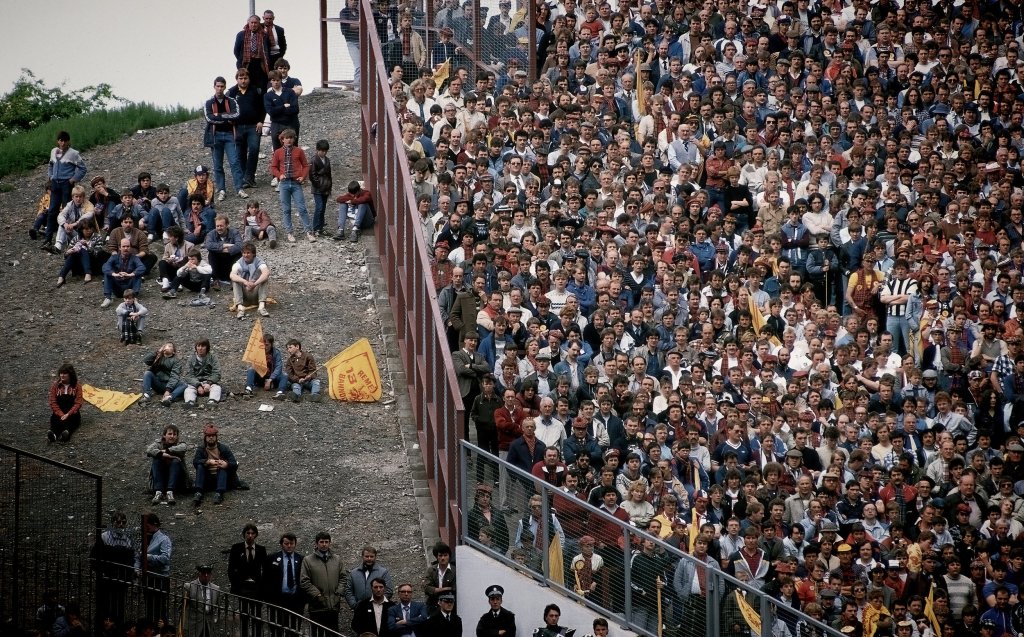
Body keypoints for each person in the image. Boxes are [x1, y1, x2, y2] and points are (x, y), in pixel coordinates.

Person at [30, 131, 87, 249]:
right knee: (52, 211)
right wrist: (50, 176)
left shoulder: (73, 153)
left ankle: (67, 239)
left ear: (68, 141)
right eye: (61, 140)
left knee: (66, 211)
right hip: (55, 184)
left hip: (66, 184)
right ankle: (48, 239)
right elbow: (50, 165)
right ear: (58, 141)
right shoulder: (53, 151)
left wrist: (73, 179)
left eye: (65, 140)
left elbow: (83, 168)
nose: (63, 143)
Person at [203, 76, 247, 201]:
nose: (219, 88)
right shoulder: (209, 102)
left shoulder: (231, 101)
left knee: (234, 162)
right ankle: (221, 189)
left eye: (222, 86)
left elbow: (236, 115)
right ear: (214, 87)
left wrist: (219, 115)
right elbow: (209, 118)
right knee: (218, 164)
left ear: (225, 87)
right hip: (215, 136)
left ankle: (239, 188)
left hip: (229, 135)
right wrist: (227, 117)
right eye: (217, 86)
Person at [90, 511, 135, 629]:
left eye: (123, 522)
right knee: (103, 606)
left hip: (120, 581)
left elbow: (131, 561)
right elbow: (94, 558)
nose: (121, 525)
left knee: (118, 607)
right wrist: (101, 572)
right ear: (112, 523)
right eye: (118, 522)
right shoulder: (104, 537)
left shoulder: (128, 540)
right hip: (106, 579)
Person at [269, 127, 313, 242]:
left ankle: (308, 232)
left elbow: (306, 165)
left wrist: (303, 177)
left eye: (291, 138)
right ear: (282, 139)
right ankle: (289, 232)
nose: (289, 140)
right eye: (286, 138)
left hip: (295, 183)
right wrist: (279, 175)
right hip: (284, 184)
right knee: (286, 209)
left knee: (302, 208)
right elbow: (273, 167)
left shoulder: (299, 151)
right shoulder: (278, 152)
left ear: (294, 139)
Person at [299, 531, 345, 637]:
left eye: (326, 542)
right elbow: (304, 581)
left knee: (333, 633)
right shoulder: (308, 560)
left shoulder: (337, 559)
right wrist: (317, 595)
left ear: (330, 543)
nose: (324, 544)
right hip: (317, 606)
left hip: (333, 605)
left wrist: (338, 593)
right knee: (317, 633)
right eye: (321, 542)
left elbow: (343, 577)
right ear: (316, 543)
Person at [227, 69, 266, 190]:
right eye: (241, 78)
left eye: (245, 78)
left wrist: (261, 121)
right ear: (237, 79)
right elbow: (227, 109)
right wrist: (230, 121)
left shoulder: (256, 91)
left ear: (249, 79)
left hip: (253, 126)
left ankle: (249, 177)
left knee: (254, 149)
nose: (243, 81)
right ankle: (246, 179)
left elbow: (263, 107)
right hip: (237, 127)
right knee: (240, 153)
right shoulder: (231, 92)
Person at [228, 523, 267, 637]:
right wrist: (236, 586)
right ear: (244, 534)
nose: (250, 535)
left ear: (256, 535)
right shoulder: (236, 548)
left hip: (257, 590)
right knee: (244, 616)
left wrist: (262, 586)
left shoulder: (261, 549)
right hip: (242, 589)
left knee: (257, 617)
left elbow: (265, 569)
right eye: (248, 533)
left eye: (252, 533)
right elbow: (231, 568)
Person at [264, 532, 305, 637]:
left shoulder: (301, 559)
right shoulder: (271, 558)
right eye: (286, 543)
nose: (289, 546)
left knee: (294, 630)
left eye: (292, 543)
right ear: (281, 544)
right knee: (276, 628)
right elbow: (265, 579)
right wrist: (268, 598)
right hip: (278, 599)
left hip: (295, 600)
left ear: (295, 544)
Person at [135, 513, 173, 624]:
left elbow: (165, 558)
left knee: (160, 609)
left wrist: (148, 557)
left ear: (155, 524)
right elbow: (137, 557)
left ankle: (161, 630)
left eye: (147, 526)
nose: (146, 529)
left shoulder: (164, 539)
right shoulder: (144, 539)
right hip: (148, 579)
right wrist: (136, 569)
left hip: (159, 579)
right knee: (149, 608)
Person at [192, 424, 239, 506]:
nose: (211, 438)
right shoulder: (201, 449)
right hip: (208, 477)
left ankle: (219, 493)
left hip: (222, 478)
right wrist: (207, 462)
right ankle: (198, 492)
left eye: (213, 436)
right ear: (205, 437)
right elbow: (195, 462)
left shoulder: (224, 448)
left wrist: (226, 465)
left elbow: (234, 463)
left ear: (216, 437)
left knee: (222, 467)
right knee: (200, 465)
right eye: (209, 436)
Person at [147, 425, 189, 505]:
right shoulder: (159, 444)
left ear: (177, 436)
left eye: (174, 434)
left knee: (176, 461)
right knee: (156, 460)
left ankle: (170, 492)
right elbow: (149, 450)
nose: (172, 436)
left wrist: (167, 451)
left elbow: (183, 448)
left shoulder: (180, 444)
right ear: (164, 435)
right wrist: (162, 454)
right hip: (161, 477)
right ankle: (158, 492)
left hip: (177, 480)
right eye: (169, 434)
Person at [231, 241, 272, 319]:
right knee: (235, 280)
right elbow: (232, 275)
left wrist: (255, 284)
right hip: (244, 295)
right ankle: (240, 307)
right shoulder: (239, 263)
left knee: (264, 279)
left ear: (253, 254)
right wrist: (245, 282)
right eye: (244, 253)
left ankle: (261, 306)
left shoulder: (259, 262)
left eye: (248, 253)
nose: (246, 255)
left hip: (256, 293)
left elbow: (266, 273)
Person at [100, 237, 144, 308]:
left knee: (138, 274)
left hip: (129, 289)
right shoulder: (114, 257)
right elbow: (105, 267)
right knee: (107, 274)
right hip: (117, 286)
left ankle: (134, 298)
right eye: (123, 246)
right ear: (119, 247)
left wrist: (130, 274)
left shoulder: (134, 258)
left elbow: (142, 267)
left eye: (128, 246)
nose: (126, 248)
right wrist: (115, 274)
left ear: (130, 247)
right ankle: (108, 298)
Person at [264, 71, 301, 156]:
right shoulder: (267, 96)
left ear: (281, 80)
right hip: (276, 125)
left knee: (293, 150)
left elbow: (295, 109)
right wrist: (284, 106)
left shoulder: (290, 92)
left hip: (291, 123)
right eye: (273, 80)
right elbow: (271, 112)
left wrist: (277, 110)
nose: (276, 82)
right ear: (270, 81)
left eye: (277, 80)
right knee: (277, 151)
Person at [234, 15, 271, 97]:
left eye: (256, 23)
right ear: (248, 23)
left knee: (261, 87)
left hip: (260, 64)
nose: (253, 25)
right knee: (247, 85)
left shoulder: (264, 35)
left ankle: (261, 103)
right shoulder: (241, 34)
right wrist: (242, 60)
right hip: (246, 64)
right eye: (252, 23)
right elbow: (236, 51)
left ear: (259, 23)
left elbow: (267, 50)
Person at [181, 565, 222, 637]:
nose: (206, 575)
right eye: (203, 573)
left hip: (209, 625)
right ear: (199, 574)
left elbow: (218, 606)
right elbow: (182, 607)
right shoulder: (190, 586)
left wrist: (215, 619)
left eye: (208, 573)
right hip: (194, 625)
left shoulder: (216, 589)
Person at [53, 184, 95, 254]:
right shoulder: (70, 204)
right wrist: (65, 224)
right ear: (73, 197)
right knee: (62, 224)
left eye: (80, 197)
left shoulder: (89, 205)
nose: (78, 199)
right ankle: (58, 246)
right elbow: (61, 215)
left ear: (84, 197)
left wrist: (75, 224)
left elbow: (89, 215)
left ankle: (66, 245)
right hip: (73, 232)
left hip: (84, 235)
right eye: (76, 196)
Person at [57, 221, 102, 286]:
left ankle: (88, 273)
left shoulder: (97, 237)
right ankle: (61, 276)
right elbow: (65, 256)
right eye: (86, 229)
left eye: (90, 228)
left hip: (93, 262)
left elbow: (97, 253)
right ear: (81, 230)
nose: (89, 230)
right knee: (74, 252)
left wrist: (87, 247)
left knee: (82, 249)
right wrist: (68, 252)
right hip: (79, 263)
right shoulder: (76, 238)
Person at [205, 214, 243, 289]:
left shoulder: (235, 232)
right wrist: (224, 245)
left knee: (238, 253)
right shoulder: (211, 234)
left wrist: (220, 249)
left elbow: (239, 246)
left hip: (231, 265)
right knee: (211, 253)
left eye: (221, 226)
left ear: (227, 225)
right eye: (217, 226)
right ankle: (216, 280)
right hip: (219, 267)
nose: (219, 228)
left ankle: (235, 280)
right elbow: (208, 245)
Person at [47, 363, 83, 443]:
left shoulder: (77, 386)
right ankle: (53, 434)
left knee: (71, 422)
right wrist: (61, 414)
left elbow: (78, 403)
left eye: (65, 373)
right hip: (59, 412)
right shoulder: (55, 386)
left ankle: (66, 433)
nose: (62, 375)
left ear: (70, 374)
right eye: (61, 373)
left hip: (72, 413)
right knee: (55, 421)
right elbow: (53, 402)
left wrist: (68, 414)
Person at [182, 338, 223, 407]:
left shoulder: (213, 358)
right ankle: (190, 402)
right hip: (196, 382)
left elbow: (217, 373)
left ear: (207, 347)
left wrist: (209, 383)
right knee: (188, 389)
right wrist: (198, 385)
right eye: (198, 346)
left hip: (209, 382)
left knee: (217, 388)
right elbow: (188, 375)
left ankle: (212, 401)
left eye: (203, 346)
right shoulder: (191, 359)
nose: (200, 348)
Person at [158, 226, 195, 291]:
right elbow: (165, 258)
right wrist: (169, 260)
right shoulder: (168, 245)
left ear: (176, 238)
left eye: (170, 236)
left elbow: (193, 260)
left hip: (184, 270)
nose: (168, 238)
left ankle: (179, 282)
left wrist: (180, 260)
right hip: (173, 268)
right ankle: (166, 281)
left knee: (185, 259)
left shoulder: (190, 246)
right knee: (162, 262)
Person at [423, 542, 456, 613]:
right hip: (433, 605)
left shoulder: (454, 571)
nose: (443, 558)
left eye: (445, 555)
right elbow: (426, 588)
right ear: (436, 557)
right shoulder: (431, 570)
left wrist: (436, 590)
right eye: (440, 556)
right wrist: (445, 589)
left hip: (450, 606)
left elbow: (454, 589)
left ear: (449, 556)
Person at [310, 140, 333, 236]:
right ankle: (315, 228)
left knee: (323, 208)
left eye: (325, 151)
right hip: (318, 188)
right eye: (322, 151)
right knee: (319, 207)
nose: (324, 153)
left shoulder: (327, 160)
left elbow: (329, 175)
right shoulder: (314, 160)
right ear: (317, 150)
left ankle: (320, 227)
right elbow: (312, 175)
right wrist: (319, 185)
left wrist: (329, 187)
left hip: (326, 187)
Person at [339, 0, 361, 84]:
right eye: (352, 0)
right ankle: (357, 87)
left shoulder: (358, 12)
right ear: (347, 1)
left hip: (362, 41)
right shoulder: (344, 12)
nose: (354, 2)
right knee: (358, 65)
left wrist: (355, 26)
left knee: (366, 65)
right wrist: (359, 25)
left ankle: (361, 84)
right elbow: (347, 27)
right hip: (351, 42)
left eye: (356, 0)